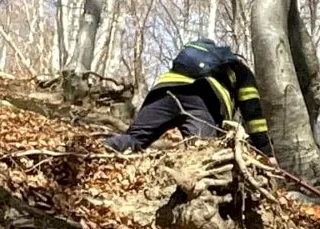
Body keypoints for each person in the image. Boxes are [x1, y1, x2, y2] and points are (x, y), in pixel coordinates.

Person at [104, 39, 272, 156]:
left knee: (135, 138)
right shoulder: (239, 69)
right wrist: (265, 151)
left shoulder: (190, 61)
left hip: (164, 91)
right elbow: (253, 113)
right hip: (203, 98)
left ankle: (94, 151)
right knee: (201, 152)